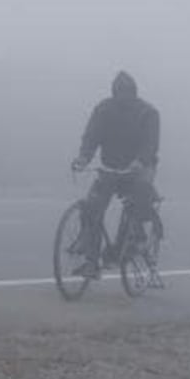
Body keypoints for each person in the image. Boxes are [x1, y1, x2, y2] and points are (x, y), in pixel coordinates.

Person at [70, 71, 161, 279]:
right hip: (111, 168)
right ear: (113, 92)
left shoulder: (148, 113)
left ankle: (135, 238)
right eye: (118, 93)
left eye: (126, 93)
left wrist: (140, 161)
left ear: (134, 93)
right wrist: (83, 158)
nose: (122, 97)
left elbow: (151, 144)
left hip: (139, 168)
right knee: (91, 206)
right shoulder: (103, 109)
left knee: (138, 197)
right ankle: (91, 262)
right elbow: (91, 136)